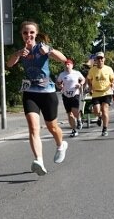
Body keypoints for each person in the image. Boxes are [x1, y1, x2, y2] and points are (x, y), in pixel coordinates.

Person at [6, 21, 68, 176]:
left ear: (36, 34)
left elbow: (63, 59)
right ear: (22, 35)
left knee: (52, 127)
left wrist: (49, 50)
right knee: (33, 128)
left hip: (47, 93)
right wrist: (17, 54)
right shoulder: (22, 52)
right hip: (30, 92)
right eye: (25, 33)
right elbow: (9, 64)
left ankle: (61, 145)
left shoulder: (42, 48)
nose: (29, 35)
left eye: (31, 32)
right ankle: (39, 160)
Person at [86, 51, 114, 136]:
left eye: (101, 58)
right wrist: (90, 87)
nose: (100, 60)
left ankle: (105, 129)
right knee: (96, 111)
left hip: (107, 92)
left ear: (104, 59)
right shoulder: (92, 70)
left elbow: (113, 79)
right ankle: (99, 116)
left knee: (105, 110)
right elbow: (88, 79)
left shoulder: (108, 69)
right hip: (96, 93)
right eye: (98, 58)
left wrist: (113, 83)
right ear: (95, 60)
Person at [56, 58, 85, 137]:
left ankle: (79, 119)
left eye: (68, 64)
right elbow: (58, 83)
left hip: (75, 94)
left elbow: (83, 79)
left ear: (72, 65)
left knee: (74, 111)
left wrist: (80, 84)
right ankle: (74, 130)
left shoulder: (76, 73)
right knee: (69, 114)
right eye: (66, 64)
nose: (67, 65)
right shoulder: (62, 74)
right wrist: (60, 85)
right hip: (66, 95)